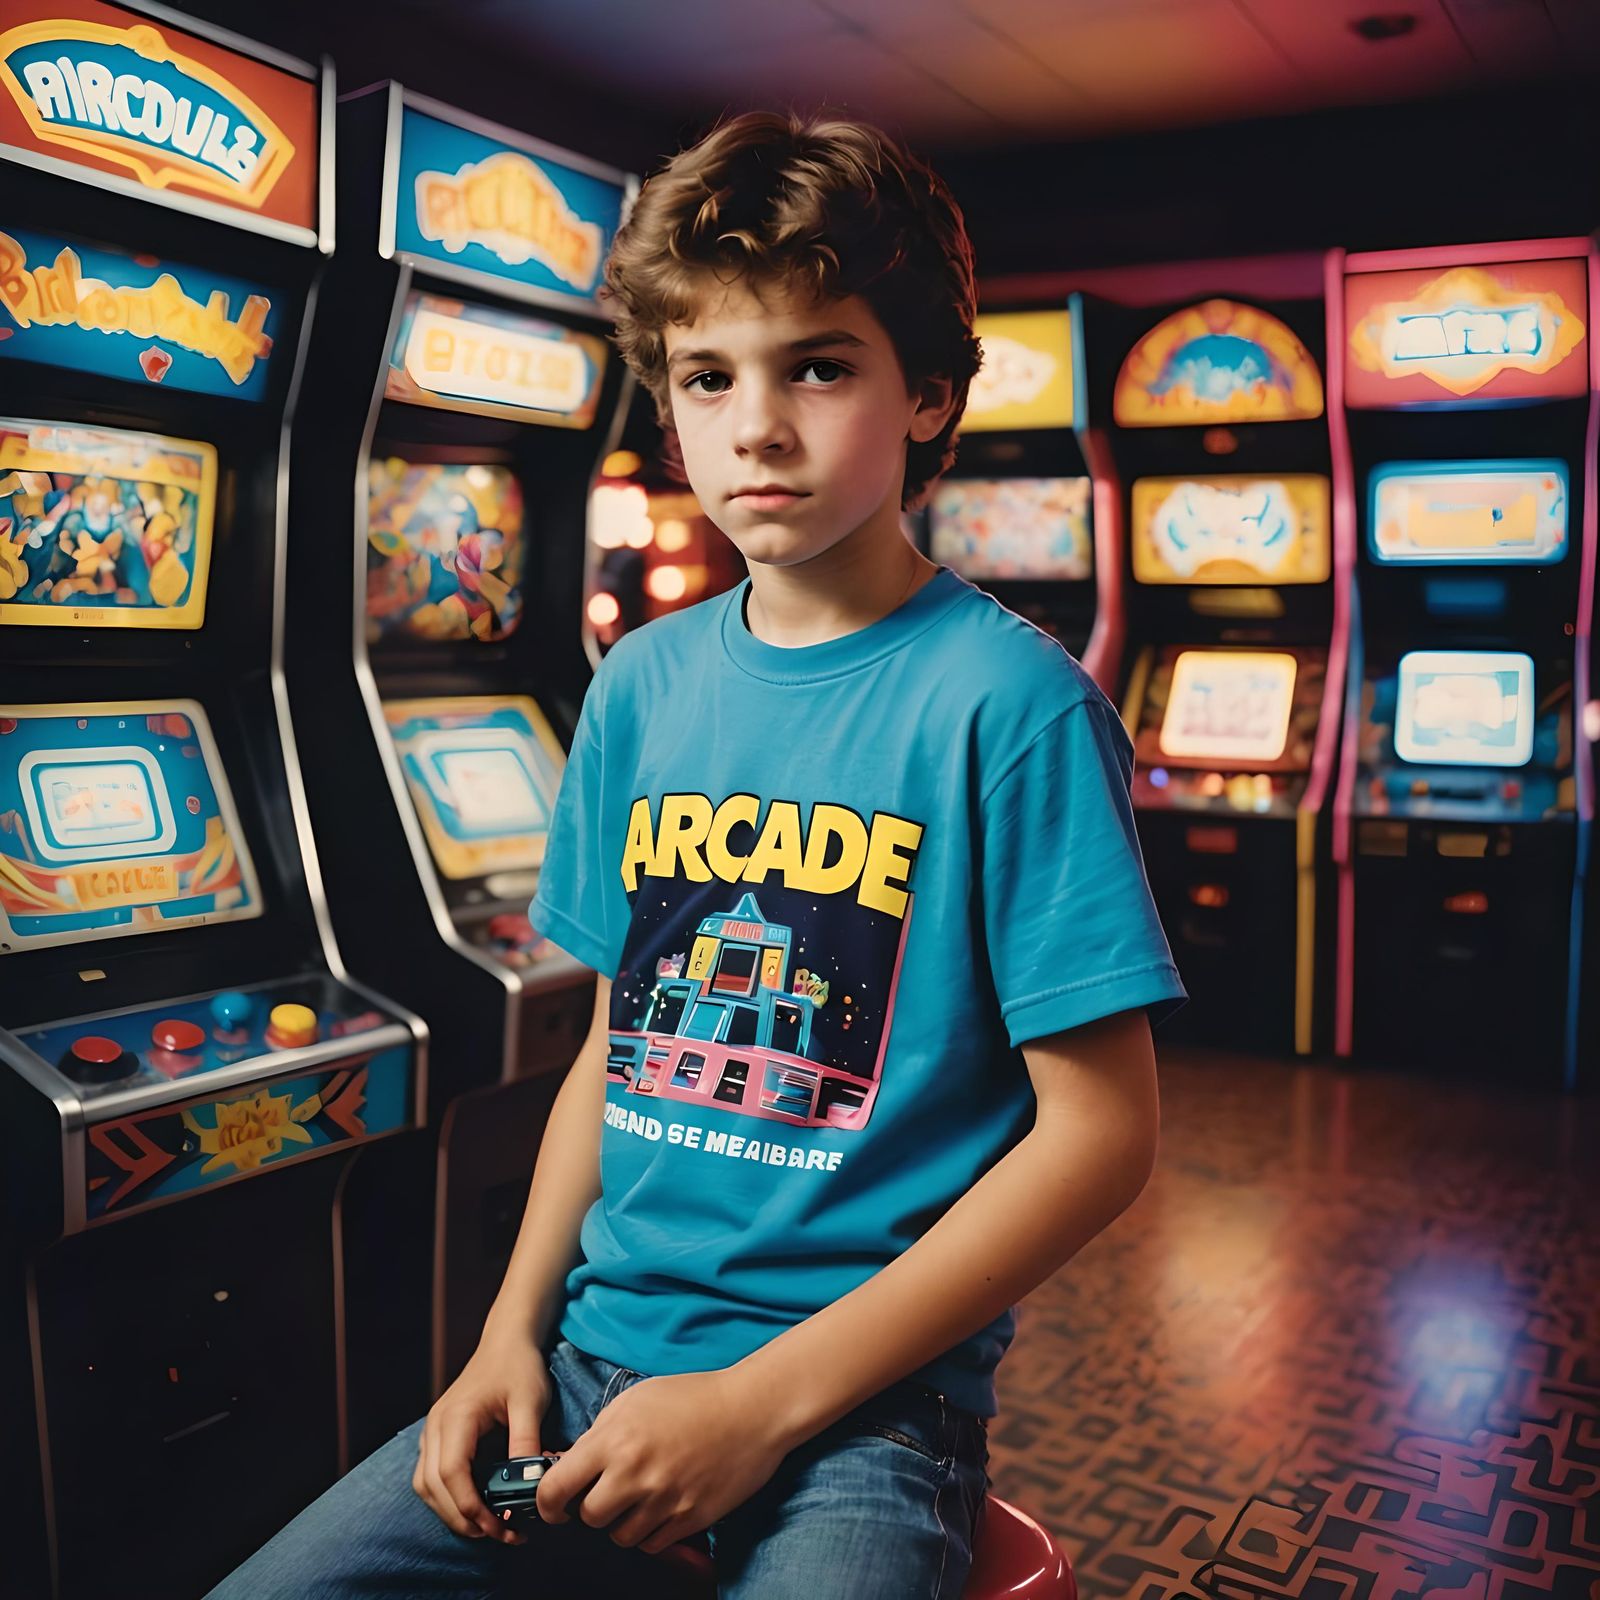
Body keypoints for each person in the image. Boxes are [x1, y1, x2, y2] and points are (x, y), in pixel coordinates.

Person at [209, 108, 1184, 1600]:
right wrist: (505, 1336)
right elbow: (619, 1046)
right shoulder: (641, 683)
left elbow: (1101, 1136)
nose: (759, 427)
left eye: (820, 366)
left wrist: (760, 1404)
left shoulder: (1012, 702)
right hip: (597, 1361)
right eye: (707, 377)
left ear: (928, 394)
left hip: (868, 1414)